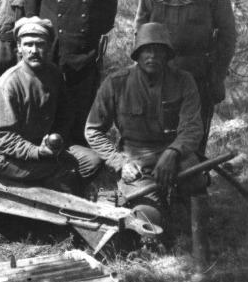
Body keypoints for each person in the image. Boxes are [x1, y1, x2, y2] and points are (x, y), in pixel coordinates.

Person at [85, 23, 207, 228]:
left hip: (176, 156)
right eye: (146, 50)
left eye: (158, 51)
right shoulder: (116, 83)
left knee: (197, 201)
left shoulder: (184, 81)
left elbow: (193, 127)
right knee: (150, 219)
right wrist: (120, 162)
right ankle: (156, 205)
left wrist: (173, 152)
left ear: (167, 55)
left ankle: (180, 201)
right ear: (137, 54)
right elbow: (93, 130)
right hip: (136, 161)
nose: (152, 56)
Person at [135, 0, 236, 153]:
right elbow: (141, 27)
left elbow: (227, 34)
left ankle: (194, 182)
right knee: (158, 132)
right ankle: (158, 184)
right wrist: (142, 69)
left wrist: (217, 76)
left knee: (195, 133)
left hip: (198, 73)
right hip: (160, 71)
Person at [0, 17, 103, 193]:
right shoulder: (8, 85)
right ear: (19, 47)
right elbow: (6, 138)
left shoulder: (53, 74)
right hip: (7, 158)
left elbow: (65, 114)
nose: (34, 50)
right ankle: (57, 205)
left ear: (49, 47)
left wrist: (56, 140)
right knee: (66, 171)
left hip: (41, 146)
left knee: (92, 161)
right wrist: (39, 152)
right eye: (28, 44)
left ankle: (61, 193)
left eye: (40, 44)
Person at [25, 0, 118, 144]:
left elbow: (107, 20)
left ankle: (79, 165)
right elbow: (31, 14)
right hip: (47, 58)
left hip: (84, 62)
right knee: (43, 114)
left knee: (79, 119)